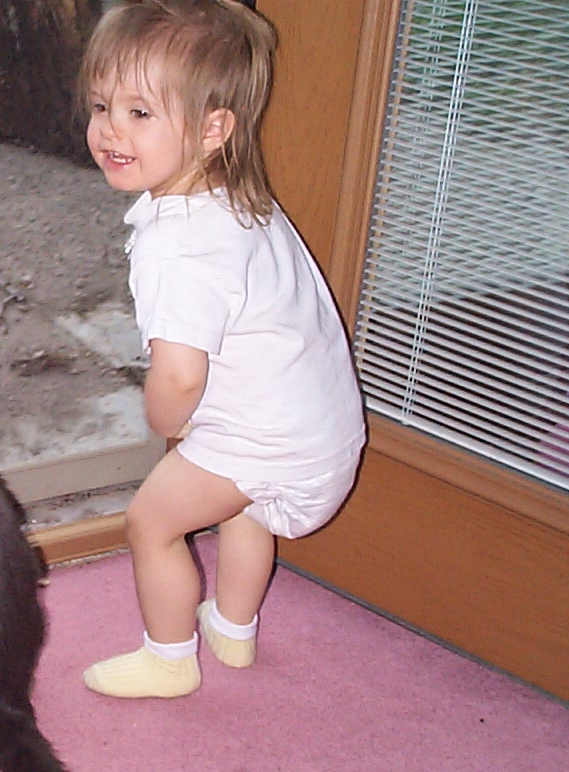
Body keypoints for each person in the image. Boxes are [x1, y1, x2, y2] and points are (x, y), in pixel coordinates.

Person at [80, 0, 366, 699]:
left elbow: (180, 373)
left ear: (213, 129)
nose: (111, 129)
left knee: (152, 521)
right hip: (322, 433)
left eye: (140, 112)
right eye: (101, 105)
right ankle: (233, 630)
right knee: (244, 506)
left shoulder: (176, 247)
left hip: (264, 440)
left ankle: (168, 659)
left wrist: (164, 420)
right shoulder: (239, 199)